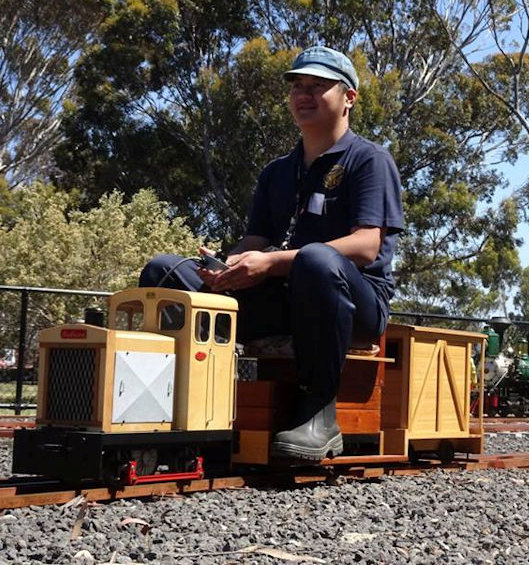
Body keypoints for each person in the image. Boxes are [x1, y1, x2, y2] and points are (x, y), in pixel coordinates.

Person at [139, 46, 404, 461]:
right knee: (166, 273)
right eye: (298, 86)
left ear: (349, 97)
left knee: (317, 260)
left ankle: (320, 416)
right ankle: (171, 410)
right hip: (282, 299)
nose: (304, 94)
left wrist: (272, 262)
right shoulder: (277, 172)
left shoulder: (370, 160)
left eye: (318, 86)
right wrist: (226, 267)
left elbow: (366, 246)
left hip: (352, 306)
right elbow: (254, 242)